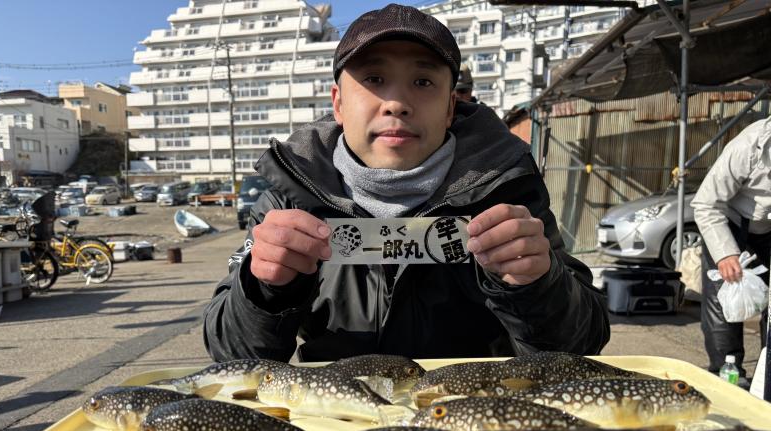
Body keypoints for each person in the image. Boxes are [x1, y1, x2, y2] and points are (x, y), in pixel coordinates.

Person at [203, 3, 610, 363]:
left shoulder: (507, 190)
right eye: (375, 79)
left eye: (423, 82)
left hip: (475, 423)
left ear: (451, 106)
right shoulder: (289, 200)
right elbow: (231, 355)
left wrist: (538, 285)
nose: (397, 103)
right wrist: (262, 290)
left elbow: (582, 346)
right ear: (338, 103)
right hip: (336, 418)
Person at [692, 115, 771, 388]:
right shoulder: (748, 146)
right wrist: (725, 253)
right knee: (724, 305)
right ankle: (727, 376)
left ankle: (766, 376)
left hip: (768, 228)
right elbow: (705, 204)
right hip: (729, 223)